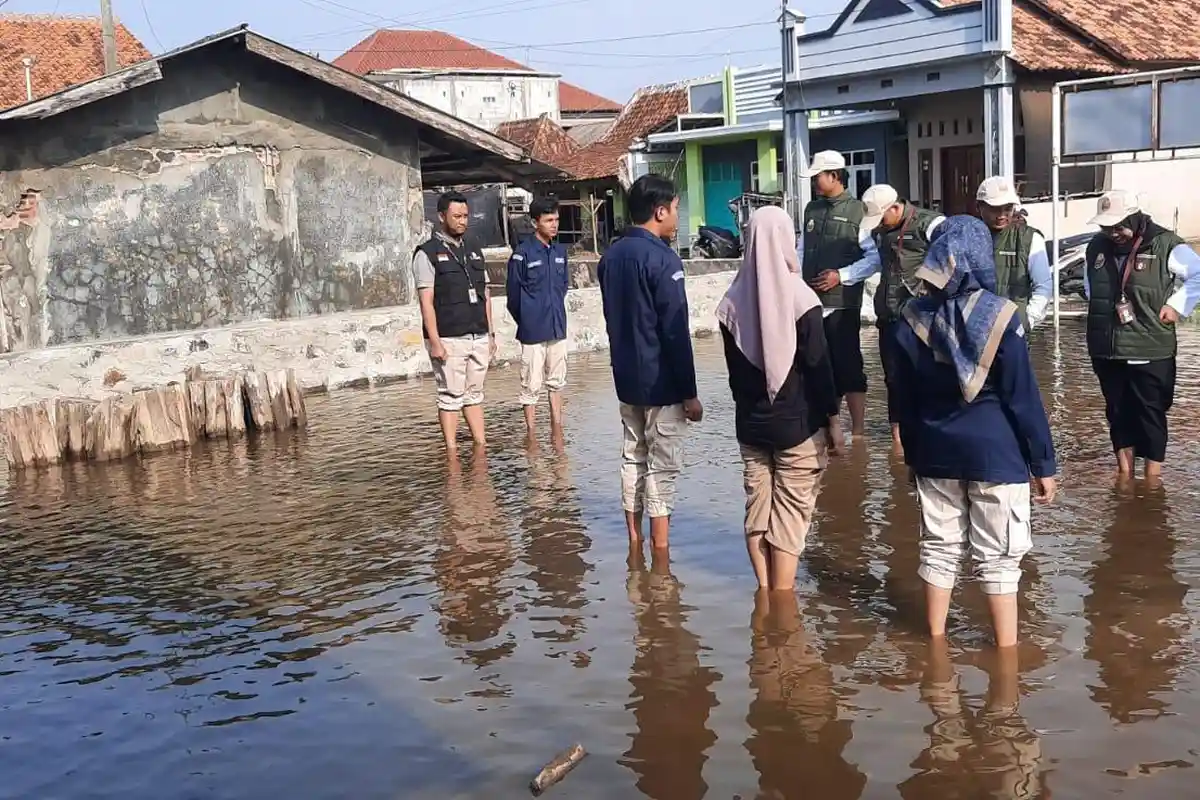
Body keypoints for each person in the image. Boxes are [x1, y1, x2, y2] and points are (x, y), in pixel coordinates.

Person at [893, 215, 1057, 649]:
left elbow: (903, 403)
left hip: (934, 452)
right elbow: (1023, 398)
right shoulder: (1002, 317)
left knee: (939, 550)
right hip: (997, 455)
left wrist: (914, 459)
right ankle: (1005, 662)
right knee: (1000, 560)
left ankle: (936, 650)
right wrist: (1043, 463)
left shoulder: (908, 322)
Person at [719, 205, 842, 591]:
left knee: (758, 511)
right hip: (797, 426)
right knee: (790, 516)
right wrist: (834, 423)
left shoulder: (731, 302)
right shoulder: (802, 299)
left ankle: (764, 594)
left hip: (750, 427)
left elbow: (735, 378)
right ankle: (783, 604)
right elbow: (820, 372)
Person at [598, 174, 703, 551]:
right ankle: (661, 552)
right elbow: (674, 331)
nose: (677, 218)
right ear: (659, 211)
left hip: (626, 378)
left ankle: (634, 542)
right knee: (663, 465)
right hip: (661, 381)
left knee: (632, 456)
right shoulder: (662, 258)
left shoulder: (610, 257)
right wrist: (690, 393)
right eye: (675, 210)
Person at [812, 184, 944, 454]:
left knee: (927, 376)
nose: (879, 225)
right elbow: (874, 263)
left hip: (923, 318)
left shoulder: (931, 225)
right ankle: (898, 441)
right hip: (889, 316)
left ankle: (931, 433)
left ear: (895, 207)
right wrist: (843, 275)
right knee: (893, 379)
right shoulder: (881, 232)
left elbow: (952, 258)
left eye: (882, 218)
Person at [1083, 190, 1200, 481]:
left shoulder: (1165, 244)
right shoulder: (1095, 246)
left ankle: (1152, 480)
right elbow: (1090, 286)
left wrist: (1177, 305)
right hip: (1106, 348)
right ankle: (1124, 477)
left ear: (1136, 216)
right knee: (1117, 412)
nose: (1113, 233)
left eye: (1119, 225)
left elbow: (1198, 273)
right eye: (1106, 226)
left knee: (1150, 412)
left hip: (1149, 347)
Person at [798, 150, 876, 436]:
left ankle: (857, 433)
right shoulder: (812, 210)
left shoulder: (860, 211)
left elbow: (873, 259)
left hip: (843, 304)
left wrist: (840, 276)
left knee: (849, 366)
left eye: (819, 176)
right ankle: (830, 427)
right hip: (811, 302)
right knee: (818, 365)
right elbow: (802, 250)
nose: (815, 182)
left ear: (835, 175)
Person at [414, 191, 497, 450]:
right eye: (457, 216)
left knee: (474, 395)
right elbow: (426, 302)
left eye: (466, 216)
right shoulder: (426, 254)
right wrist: (435, 342)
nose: (462, 221)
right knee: (450, 396)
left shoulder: (473, 249)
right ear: (441, 217)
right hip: (449, 337)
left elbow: (486, 295)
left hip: (477, 334)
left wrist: (491, 334)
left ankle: (480, 446)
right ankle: (451, 451)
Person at [506, 196, 569, 438]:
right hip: (533, 331)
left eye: (556, 220)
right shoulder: (522, 254)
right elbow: (513, 296)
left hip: (557, 328)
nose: (554, 225)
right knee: (531, 385)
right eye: (548, 220)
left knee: (557, 382)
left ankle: (557, 430)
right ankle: (531, 434)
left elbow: (563, 286)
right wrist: (528, 319)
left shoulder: (560, 252)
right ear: (535, 223)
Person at [975, 176, 1053, 330]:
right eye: (995, 208)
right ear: (979, 207)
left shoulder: (1030, 238)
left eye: (1008, 208)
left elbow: (1043, 285)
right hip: (976, 327)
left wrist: (1027, 320)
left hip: (1014, 329)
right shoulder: (969, 236)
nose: (1002, 215)